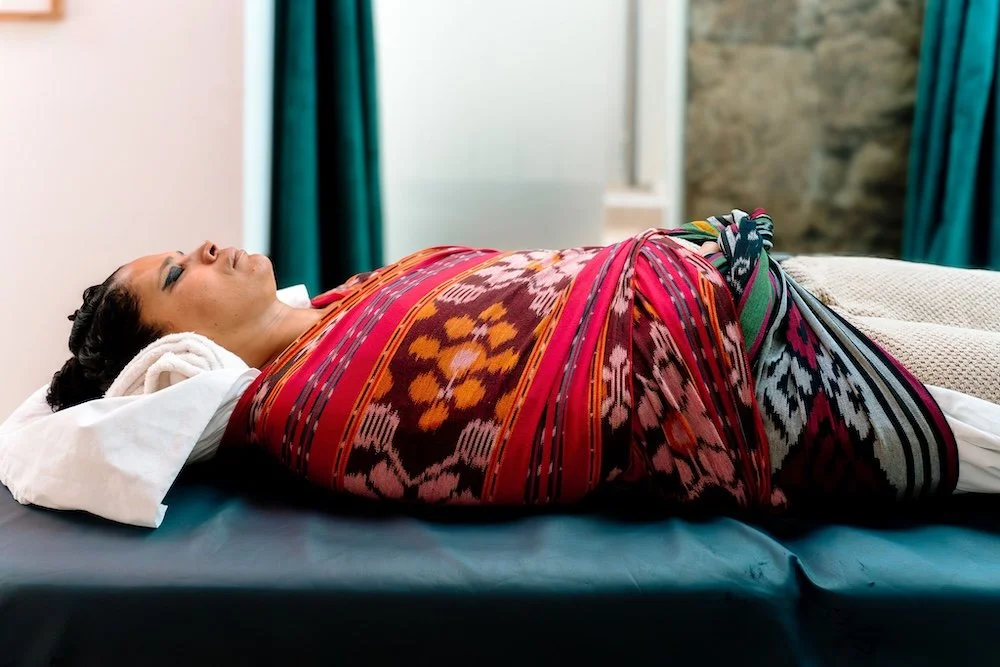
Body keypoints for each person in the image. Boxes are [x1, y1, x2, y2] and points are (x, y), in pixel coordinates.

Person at [45, 209, 1000, 513]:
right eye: (179, 272)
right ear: (179, 349)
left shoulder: (346, 301)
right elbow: (540, 422)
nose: (206, 249)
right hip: (760, 368)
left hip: (748, 277)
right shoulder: (318, 406)